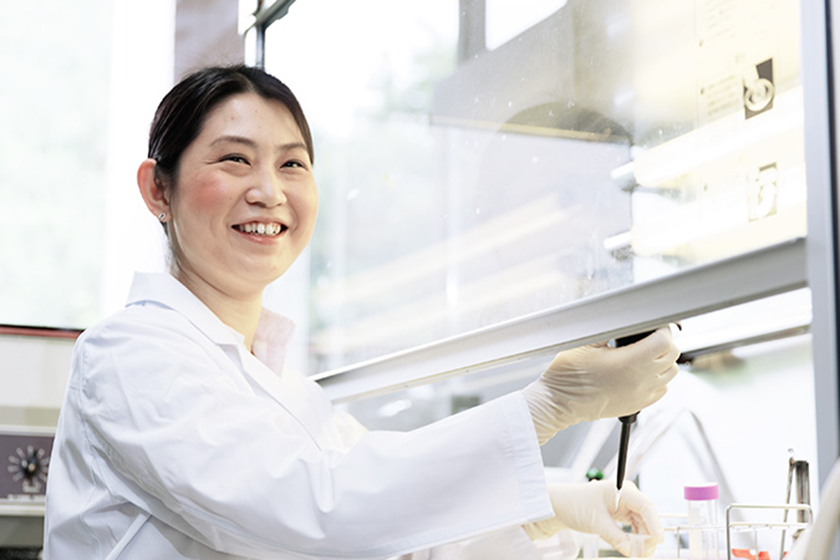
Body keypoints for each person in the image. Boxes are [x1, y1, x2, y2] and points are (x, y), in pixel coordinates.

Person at [43, 65, 681, 560]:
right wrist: (548, 409)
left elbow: (395, 530)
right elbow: (315, 511)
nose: (269, 190)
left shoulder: (287, 391)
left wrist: (546, 510)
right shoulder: (127, 354)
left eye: (292, 164)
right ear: (158, 188)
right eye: (235, 159)